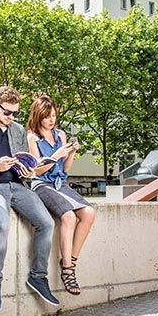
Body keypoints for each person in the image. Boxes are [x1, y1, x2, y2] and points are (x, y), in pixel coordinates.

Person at [0, 86, 58, 313]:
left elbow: (22, 162)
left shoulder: (18, 130)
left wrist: (27, 171)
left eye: (15, 113)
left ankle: (38, 276)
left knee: (47, 223)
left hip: (17, 186)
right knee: (3, 223)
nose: (11, 117)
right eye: (7, 112)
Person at [27, 93, 96, 296]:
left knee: (89, 213)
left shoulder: (61, 135)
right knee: (68, 216)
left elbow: (65, 169)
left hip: (59, 183)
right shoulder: (33, 137)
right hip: (41, 185)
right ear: (38, 116)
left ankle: (70, 260)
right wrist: (54, 155)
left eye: (54, 116)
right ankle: (67, 271)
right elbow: (36, 171)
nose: (51, 120)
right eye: (47, 116)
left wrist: (72, 153)